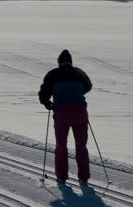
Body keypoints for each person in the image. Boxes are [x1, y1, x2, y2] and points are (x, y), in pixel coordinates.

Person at [39, 49, 94, 185]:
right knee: (81, 146)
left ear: (59, 62)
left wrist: (48, 103)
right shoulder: (79, 73)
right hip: (79, 111)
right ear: (70, 62)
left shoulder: (53, 74)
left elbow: (44, 93)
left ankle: (61, 177)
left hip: (61, 112)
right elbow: (88, 86)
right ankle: (83, 178)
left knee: (61, 145)